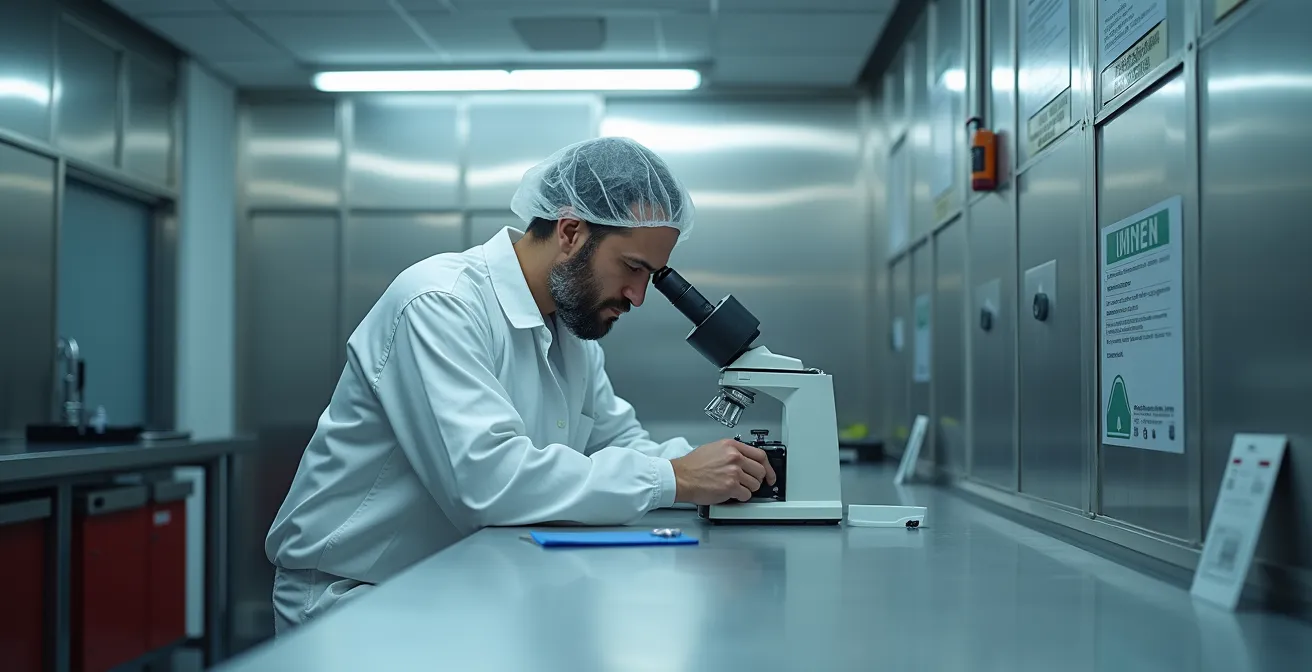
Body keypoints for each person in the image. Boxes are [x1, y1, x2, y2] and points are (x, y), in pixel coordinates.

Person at [265, 136, 776, 634]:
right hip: (359, 599)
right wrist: (677, 478)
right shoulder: (440, 303)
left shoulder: (571, 337)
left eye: (653, 276)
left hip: (461, 582)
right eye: (633, 267)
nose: (638, 296)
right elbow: (487, 481)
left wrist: (728, 472)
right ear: (571, 232)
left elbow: (624, 445)